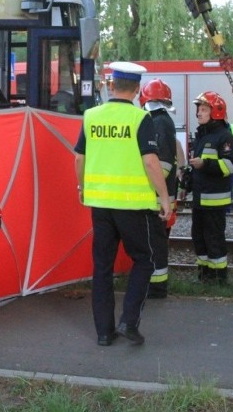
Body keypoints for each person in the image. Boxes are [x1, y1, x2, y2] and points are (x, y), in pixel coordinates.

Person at [74, 62, 172, 347]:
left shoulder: (91, 116)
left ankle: (104, 333)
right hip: (133, 206)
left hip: (100, 205)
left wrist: (82, 187)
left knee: (102, 266)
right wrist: (163, 197)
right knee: (144, 260)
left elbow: (79, 158)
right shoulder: (141, 119)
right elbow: (151, 162)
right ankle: (129, 321)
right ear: (137, 90)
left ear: (110, 86)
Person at [187, 91, 233, 284]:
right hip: (201, 199)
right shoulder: (203, 135)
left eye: (203, 109)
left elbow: (231, 165)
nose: (198, 113)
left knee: (214, 239)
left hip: (215, 200)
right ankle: (204, 275)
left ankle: (218, 279)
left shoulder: (225, 138)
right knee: (198, 238)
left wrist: (205, 165)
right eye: (198, 109)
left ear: (215, 112)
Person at [139, 78, 185, 299]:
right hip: (160, 195)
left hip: (157, 196)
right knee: (156, 241)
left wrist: (148, 184)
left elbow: (163, 164)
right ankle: (155, 282)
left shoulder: (158, 123)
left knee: (156, 242)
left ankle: (156, 287)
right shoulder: (162, 121)